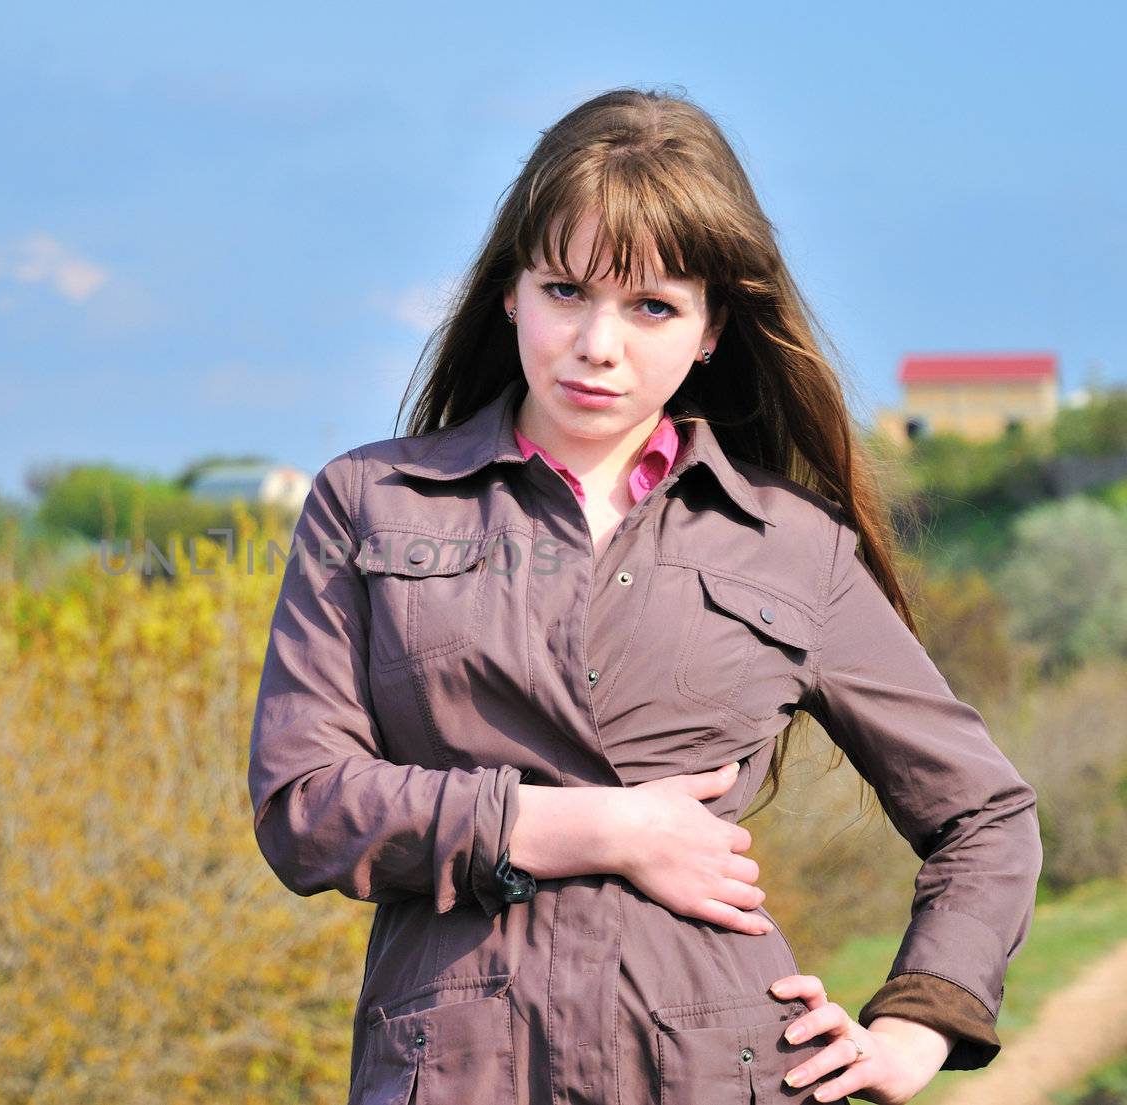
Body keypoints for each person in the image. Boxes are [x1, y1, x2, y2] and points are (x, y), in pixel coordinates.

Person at [246, 87, 1041, 1105]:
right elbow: (304, 806)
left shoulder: (793, 545)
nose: (598, 344)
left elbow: (986, 812)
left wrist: (915, 1025)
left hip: (720, 1071)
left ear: (712, 329)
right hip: (457, 1076)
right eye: (566, 290)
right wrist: (607, 829)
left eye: (653, 306)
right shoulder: (368, 502)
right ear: (510, 292)